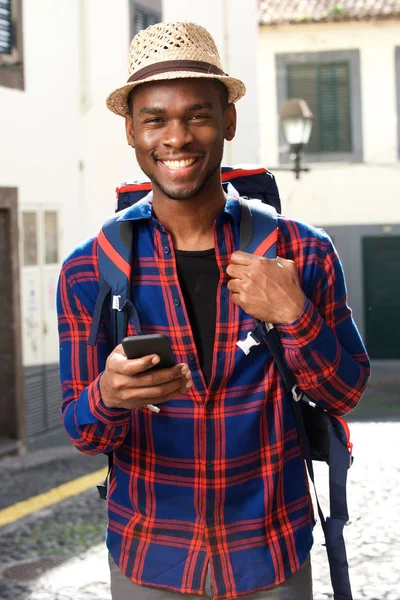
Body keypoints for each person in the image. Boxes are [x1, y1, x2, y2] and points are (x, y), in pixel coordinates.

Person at [57, 21, 370, 600]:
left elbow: (347, 394)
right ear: (131, 130)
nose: (177, 137)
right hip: (149, 557)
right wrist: (108, 396)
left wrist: (295, 313)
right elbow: (82, 431)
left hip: (272, 554)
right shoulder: (90, 269)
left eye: (198, 115)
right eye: (155, 119)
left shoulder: (302, 251)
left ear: (227, 120)